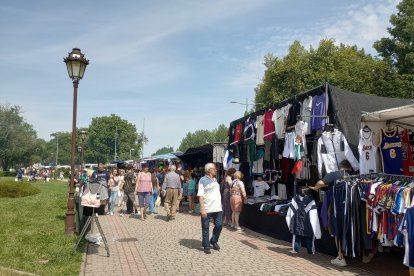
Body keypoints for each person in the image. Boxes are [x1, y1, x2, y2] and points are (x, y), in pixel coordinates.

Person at [309, 159, 353, 267]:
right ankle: (348, 252)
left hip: (337, 208)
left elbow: (320, 182)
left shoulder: (334, 174)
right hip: (350, 208)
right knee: (347, 229)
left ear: (340, 166)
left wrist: (315, 188)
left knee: (336, 230)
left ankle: (340, 257)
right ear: (349, 168)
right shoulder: (351, 177)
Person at [198, 163, 223, 254]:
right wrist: (203, 209)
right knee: (205, 227)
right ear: (209, 170)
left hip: (218, 208)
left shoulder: (215, 180)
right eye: (214, 168)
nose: (216, 170)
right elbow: (200, 196)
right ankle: (206, 245)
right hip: (207, 208)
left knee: (219, 225)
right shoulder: (202, 180)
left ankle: (213, 240)